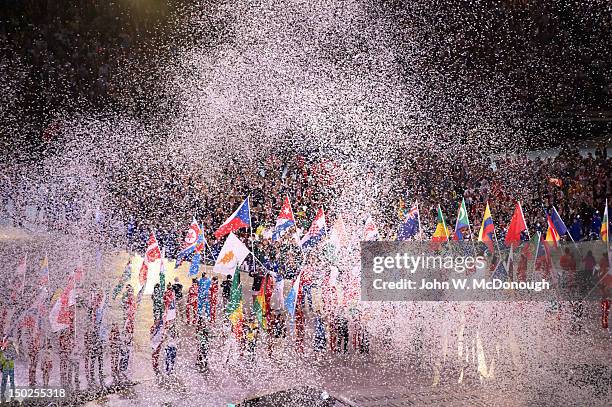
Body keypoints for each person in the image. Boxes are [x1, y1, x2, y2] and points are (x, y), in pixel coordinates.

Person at [0, 337, 17, 403]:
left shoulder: (10, 347)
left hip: (9, 367)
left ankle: (12, 396)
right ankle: (2, 395)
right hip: (5, 367)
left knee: (11, 381)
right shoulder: (2, 349)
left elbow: (15, 356)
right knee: (4, 381)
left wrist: (8, 358)